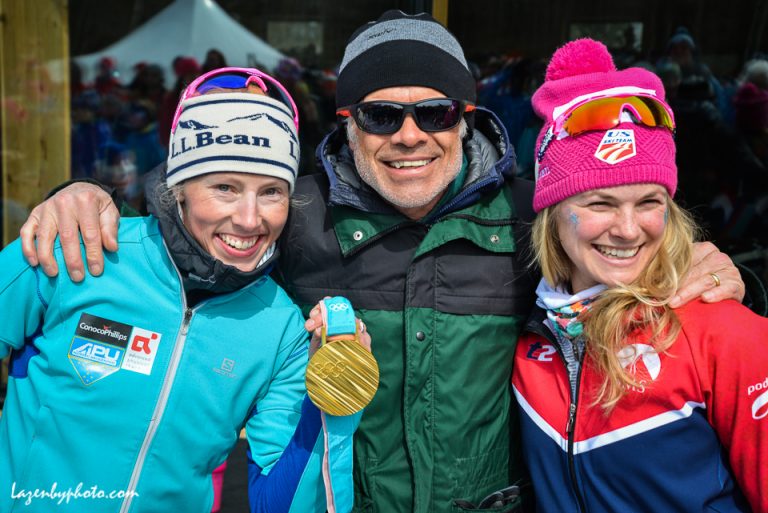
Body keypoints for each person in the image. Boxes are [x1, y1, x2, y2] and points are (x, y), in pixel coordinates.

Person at [18, 11, 746, 513]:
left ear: (466, 117)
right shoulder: (292, 219)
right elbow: (186, 237)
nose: (408, 136)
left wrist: (724, 270)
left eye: (433, 113)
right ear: (348, 122)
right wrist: (77, 197)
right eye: (379, 114)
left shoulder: (534, 218)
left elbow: (627, 244)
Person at [0, 67, 367, 513]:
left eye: (271, 192)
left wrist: (329, 404)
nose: (250, 220)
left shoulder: (282, 332)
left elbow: (277, 502)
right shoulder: (77, 249)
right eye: (225, 187)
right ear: (180, 188)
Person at [512, 38, 768, 512]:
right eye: (599, 203)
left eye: (649, 202)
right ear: (552, 212)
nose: (628, 230)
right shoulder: (529, 331)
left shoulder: (727, 333)